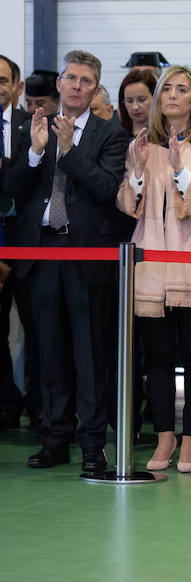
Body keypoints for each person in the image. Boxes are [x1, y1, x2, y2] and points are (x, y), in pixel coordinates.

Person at [3, 50, 130, 470]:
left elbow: (106, 189)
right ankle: (54, 438)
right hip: (39, 254)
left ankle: (93, 446)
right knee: (48, 353)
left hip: (86, 256)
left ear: (94, 90)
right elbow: (12, 191)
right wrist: (37, 153)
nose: (76, 86)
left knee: (90, 355)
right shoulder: (31, 127)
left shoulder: (110, 134)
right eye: (70, 78)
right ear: (59, 83)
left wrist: (68, 150)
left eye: (85, 80)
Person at [116, 65, 191, 473]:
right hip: (151, 267)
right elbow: (128, 205)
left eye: (183, 90)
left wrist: (180, 167)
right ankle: (164, 435)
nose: (173, 96)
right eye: (168, 89)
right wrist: (140, 169)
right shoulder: (143, 144)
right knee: (158, 357)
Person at [0, 54, 39, 432]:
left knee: (36, 328)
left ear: (17, 87)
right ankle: (6, 403)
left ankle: (39, 407)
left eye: (1, 80)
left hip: (27, 243)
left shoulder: (33, 127)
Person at [118, 69, 157, 138]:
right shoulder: (116, 139)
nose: (135, 107)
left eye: (142, 100)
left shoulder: (169, 138)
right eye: (129, 101)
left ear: (155, 98)